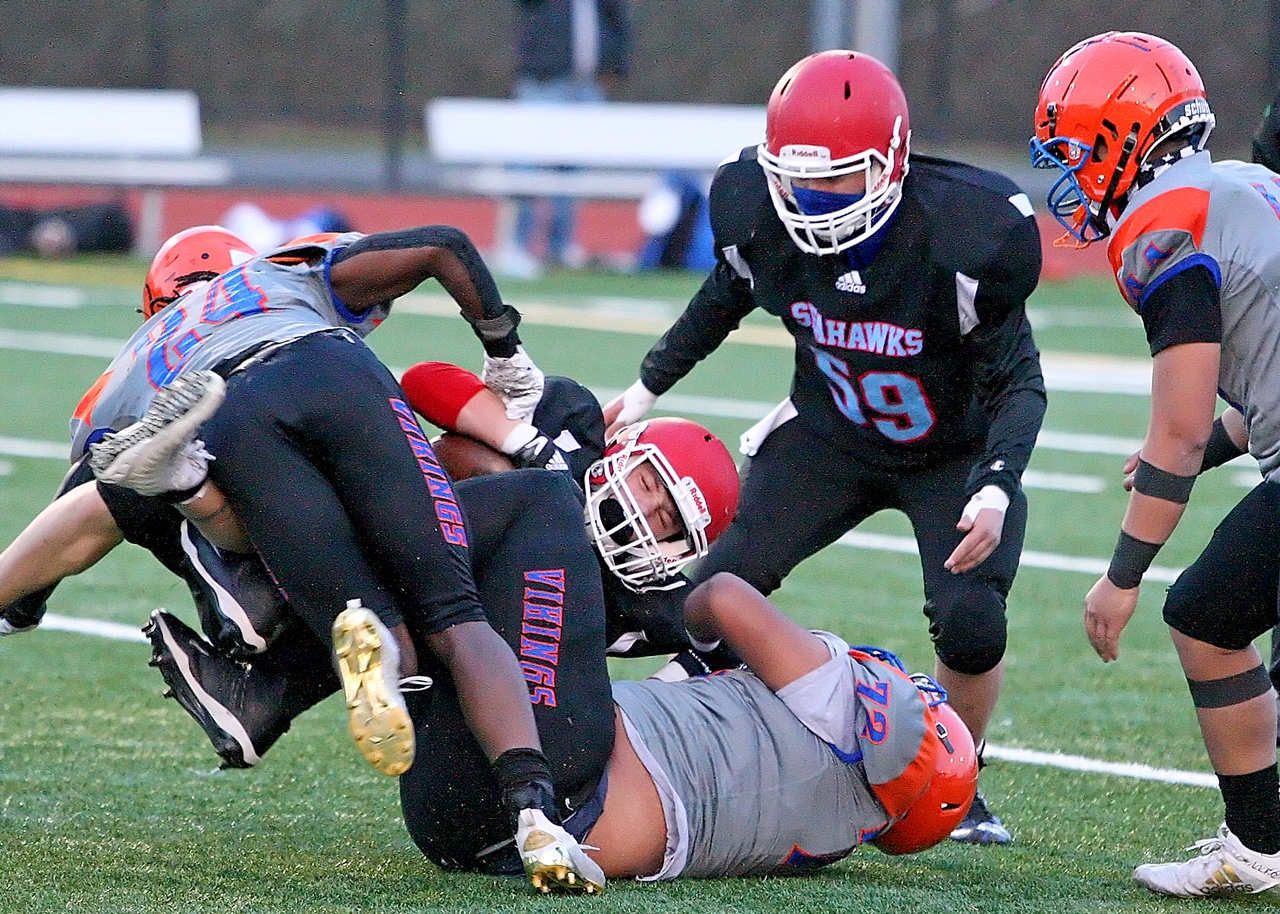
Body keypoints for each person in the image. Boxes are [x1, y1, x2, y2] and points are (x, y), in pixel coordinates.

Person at [59, 222, 602, 893]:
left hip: (231, 424)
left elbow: (87, 509)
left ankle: (280, 620)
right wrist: (503, 347)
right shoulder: (274, 273)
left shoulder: (127, 369)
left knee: (363, 613)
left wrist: (20, 600)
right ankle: (535, 816)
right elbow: (444, 247)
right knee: (456, 616)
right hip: (330, 371)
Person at [603, 49, 1046, 845]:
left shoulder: (961, 237)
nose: (814, 198)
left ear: (892, 164)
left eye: (839, 177)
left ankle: (959, 778)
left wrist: (997, 482)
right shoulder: (762, 218)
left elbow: (1020, 381)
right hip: (830, 434)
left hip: (951, 450)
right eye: (798, 177)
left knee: (973, 623)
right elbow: (722, 297)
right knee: (714, 595)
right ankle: (675, 748)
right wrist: (645, 388)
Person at [1030, 30, 1280, 897]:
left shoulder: (1163, 225)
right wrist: (1209, 449)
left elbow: (1176, 427)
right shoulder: (1244, 186)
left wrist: (1121, 575)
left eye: (1070, 148)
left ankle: (1254, 852)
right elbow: (1246, 401)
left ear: (1116, 135)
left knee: (1207, 618)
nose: (1067, 174)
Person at [497, 0, 632, 278]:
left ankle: (560, 247)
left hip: (587, 86)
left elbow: (617, 24)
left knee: (572, 170)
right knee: (528, 164)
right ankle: (517, 246)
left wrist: (615, 66)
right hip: (544, 83)